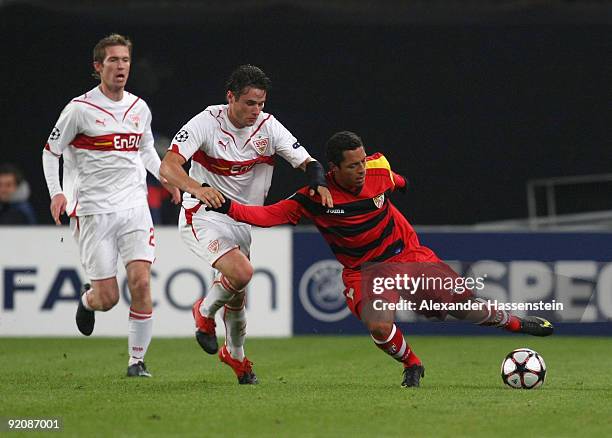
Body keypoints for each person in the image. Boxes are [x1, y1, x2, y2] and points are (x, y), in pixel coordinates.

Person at [206, 130, 554, 388]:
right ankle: (412, 364)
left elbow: (398, 181)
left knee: (461, 307)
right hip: (364, 272)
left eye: (362, 162)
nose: (360, 170)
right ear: (334, 168)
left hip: (408, 255)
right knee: (379, 325)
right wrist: (225, 205)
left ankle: (513, 322)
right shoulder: (314, 197)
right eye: (352, 165)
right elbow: (265, 216)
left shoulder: (378, 170)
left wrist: (397, 185)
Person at [160, 65, 332, 384]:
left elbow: (308, 162)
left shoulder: (268, 127)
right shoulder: (206, 123)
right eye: (250, 103)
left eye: (261, 104)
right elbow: (168, 166)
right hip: (203, 213)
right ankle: (203, 311)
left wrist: (319, 181)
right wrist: (197, 189)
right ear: (231, 97)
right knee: (241, 273)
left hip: (241, 219)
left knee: (237, 295)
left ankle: (236, 357)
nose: (256, 110)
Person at [41, 34, 180, 377]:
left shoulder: (138, 108)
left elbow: (145, 150)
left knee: (142, 282)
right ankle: (88, 300)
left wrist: (164, 176)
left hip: (134, 206)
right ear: (98, 67)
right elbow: (50, 152)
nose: (121, 67)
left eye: (125, 60)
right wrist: (56, 193)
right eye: (113, 60)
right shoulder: (79, 110)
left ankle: (137, 361)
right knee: (108, 299)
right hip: (92, 210)